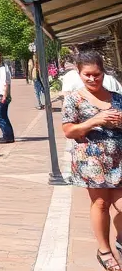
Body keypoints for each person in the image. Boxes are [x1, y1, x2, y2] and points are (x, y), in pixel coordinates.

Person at [61, 51, 122, 271]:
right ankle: (104, 250)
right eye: (87, 75)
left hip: (119, 157)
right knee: (101, 204)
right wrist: (94, 120)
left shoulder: (116, 97)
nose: (92, 79)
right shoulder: (74, 99)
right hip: (92, 159)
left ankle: (120, 237)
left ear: (103, 73)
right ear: (79, 73)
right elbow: (69, 131)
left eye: (96, 74)